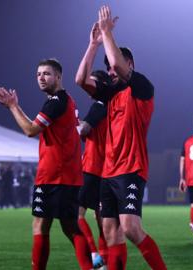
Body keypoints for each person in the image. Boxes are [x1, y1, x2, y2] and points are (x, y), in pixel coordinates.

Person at [75, 6, 166, 269]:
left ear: (131, 65)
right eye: (109, 70)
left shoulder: (142, 88)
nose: (111, 72)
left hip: (131, 169)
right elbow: (80, 78)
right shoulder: (109, 95)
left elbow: (116, 63)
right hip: (108, 172)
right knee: (111, 230)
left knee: (130, 229)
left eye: (116, 68)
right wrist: (93, 44)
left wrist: (106, 33)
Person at [0, 59, 93, 269]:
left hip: (54, 175)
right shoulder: (66, 100)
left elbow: (30, 130)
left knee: (43, 225)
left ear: (58, 76)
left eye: (46, 74)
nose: (41, 78)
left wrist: (13, 106)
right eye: (38, 74)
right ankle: (90, 266)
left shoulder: (56, 102)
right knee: (68, 227)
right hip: (67, 174)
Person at [75, 70, 112, 269]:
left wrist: (73, 127)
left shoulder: (98, 105)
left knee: (76, 214)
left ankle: (94, 254)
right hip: (106, 169)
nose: (89, 86)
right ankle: (104, 260)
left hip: (91, 167)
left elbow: (84, 130)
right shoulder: (110, 106)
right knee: (100, 218)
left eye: (93, 83)